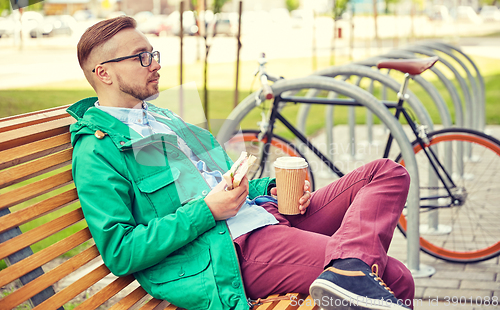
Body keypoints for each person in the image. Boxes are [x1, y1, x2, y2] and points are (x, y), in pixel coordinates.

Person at [68, 16, 415, 310]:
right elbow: (120, 251)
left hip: (264, 213)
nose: (156, 63)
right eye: (142, 57)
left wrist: (271, 189)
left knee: (386, 172)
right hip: (229, 247)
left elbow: (218, 178)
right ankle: (350, 271)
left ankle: (348, 267)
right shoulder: (99, 149)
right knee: (394, 276)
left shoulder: (163, 116)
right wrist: (208, 211)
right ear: (105, 73)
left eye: (153, 53)